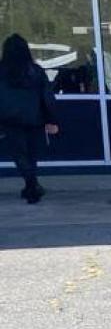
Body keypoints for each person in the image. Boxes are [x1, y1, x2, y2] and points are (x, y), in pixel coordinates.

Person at [0, 34, 60, 203]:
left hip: (9, 119)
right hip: (34, 118)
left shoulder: (2, 72)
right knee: (32, 153)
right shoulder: (36, 71)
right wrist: (52, 119)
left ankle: (30, 184)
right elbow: (47, 97)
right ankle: (32, 185)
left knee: (19, 154)